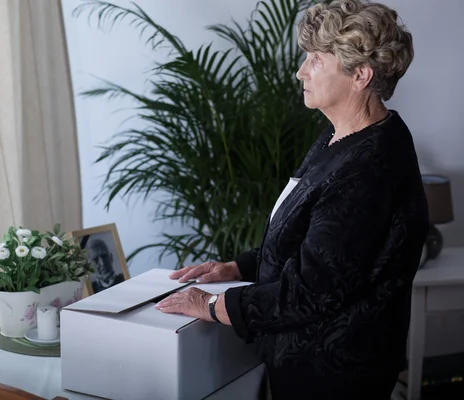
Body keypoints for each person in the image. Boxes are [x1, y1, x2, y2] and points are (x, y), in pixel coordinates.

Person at [155, 1, 429, 399]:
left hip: (335, 377)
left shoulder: (370, 166)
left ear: (361, 76)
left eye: (316, 60)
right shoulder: (340, 137)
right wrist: (237, 266)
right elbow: (310, 240)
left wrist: (212, 306)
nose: (301, 70)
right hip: (306, 363)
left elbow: (312, 290)